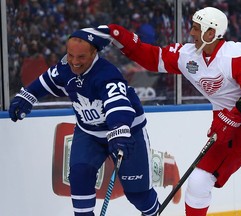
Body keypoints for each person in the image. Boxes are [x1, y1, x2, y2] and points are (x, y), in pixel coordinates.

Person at [99, 7, 241, 216]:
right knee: (198, 181)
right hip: (225, 129)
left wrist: (234, 115)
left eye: (197, 29)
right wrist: (121, 37)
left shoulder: (235, 54)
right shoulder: (187, 55)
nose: (192, 33)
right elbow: (153, 58)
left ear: (211, 33)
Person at [9, 26, 160, 216]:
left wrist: (119, 129)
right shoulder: (65, 68)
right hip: (89, 133)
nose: (74, 61)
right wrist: (27, 97)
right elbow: (46, 81)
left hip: (127, 133)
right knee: (80, 176)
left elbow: (119, 104)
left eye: (81, 57)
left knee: (139, 196)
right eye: (70, 55)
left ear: (94, 53)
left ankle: (154, 212)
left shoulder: (106, 74)